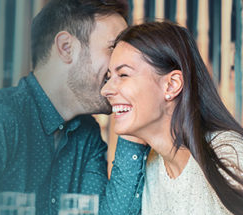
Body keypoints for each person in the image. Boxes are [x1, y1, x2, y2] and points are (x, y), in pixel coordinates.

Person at [0, 0, 150, 214]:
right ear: (66, 48)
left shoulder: (88, 136)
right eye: (113, 49)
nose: (123, 63)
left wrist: (130, 120)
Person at [101, 21, 243, 215]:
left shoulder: (229, 155)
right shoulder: (151, 167)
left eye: (123, 74)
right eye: (109, 78)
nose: (106, 90)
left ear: (171, 85)